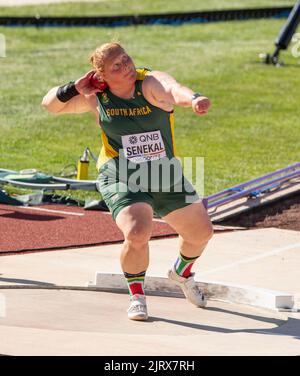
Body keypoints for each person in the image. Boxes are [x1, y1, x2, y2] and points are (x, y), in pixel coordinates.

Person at [42, 42, 214, 321]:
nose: (126, 66)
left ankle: (181, 274)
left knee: (201, 234)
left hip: (162, 172)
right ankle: (137, 295)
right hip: (120, 173)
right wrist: (74, 87)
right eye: (116, 66)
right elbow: (50, 105)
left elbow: (173, 89)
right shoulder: (96, 96)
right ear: (102, 76)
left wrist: (194, 98)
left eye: (125, 58)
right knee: (137, 231)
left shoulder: (149, 83)